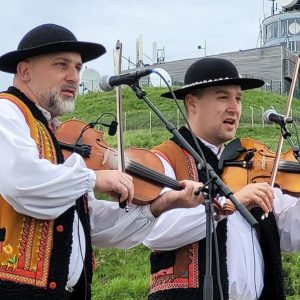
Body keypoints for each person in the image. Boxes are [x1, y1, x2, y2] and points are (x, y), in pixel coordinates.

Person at [0, 24, 204, 300]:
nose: (74, 76)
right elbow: (23, 183)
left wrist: (162, 205)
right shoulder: (7, 112)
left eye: (78, 68)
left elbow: (87, 224)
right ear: (25, 71)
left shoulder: (50, 131)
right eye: (62, 65)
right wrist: (95, 178)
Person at [143, 57, 300, 300]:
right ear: (192, 103)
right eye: (222, 96)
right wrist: (231, 204)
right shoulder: (166, 158)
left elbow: (290, 233)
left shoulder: (248, 162)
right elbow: (154, 231)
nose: (235, 107)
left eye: (238, 98)